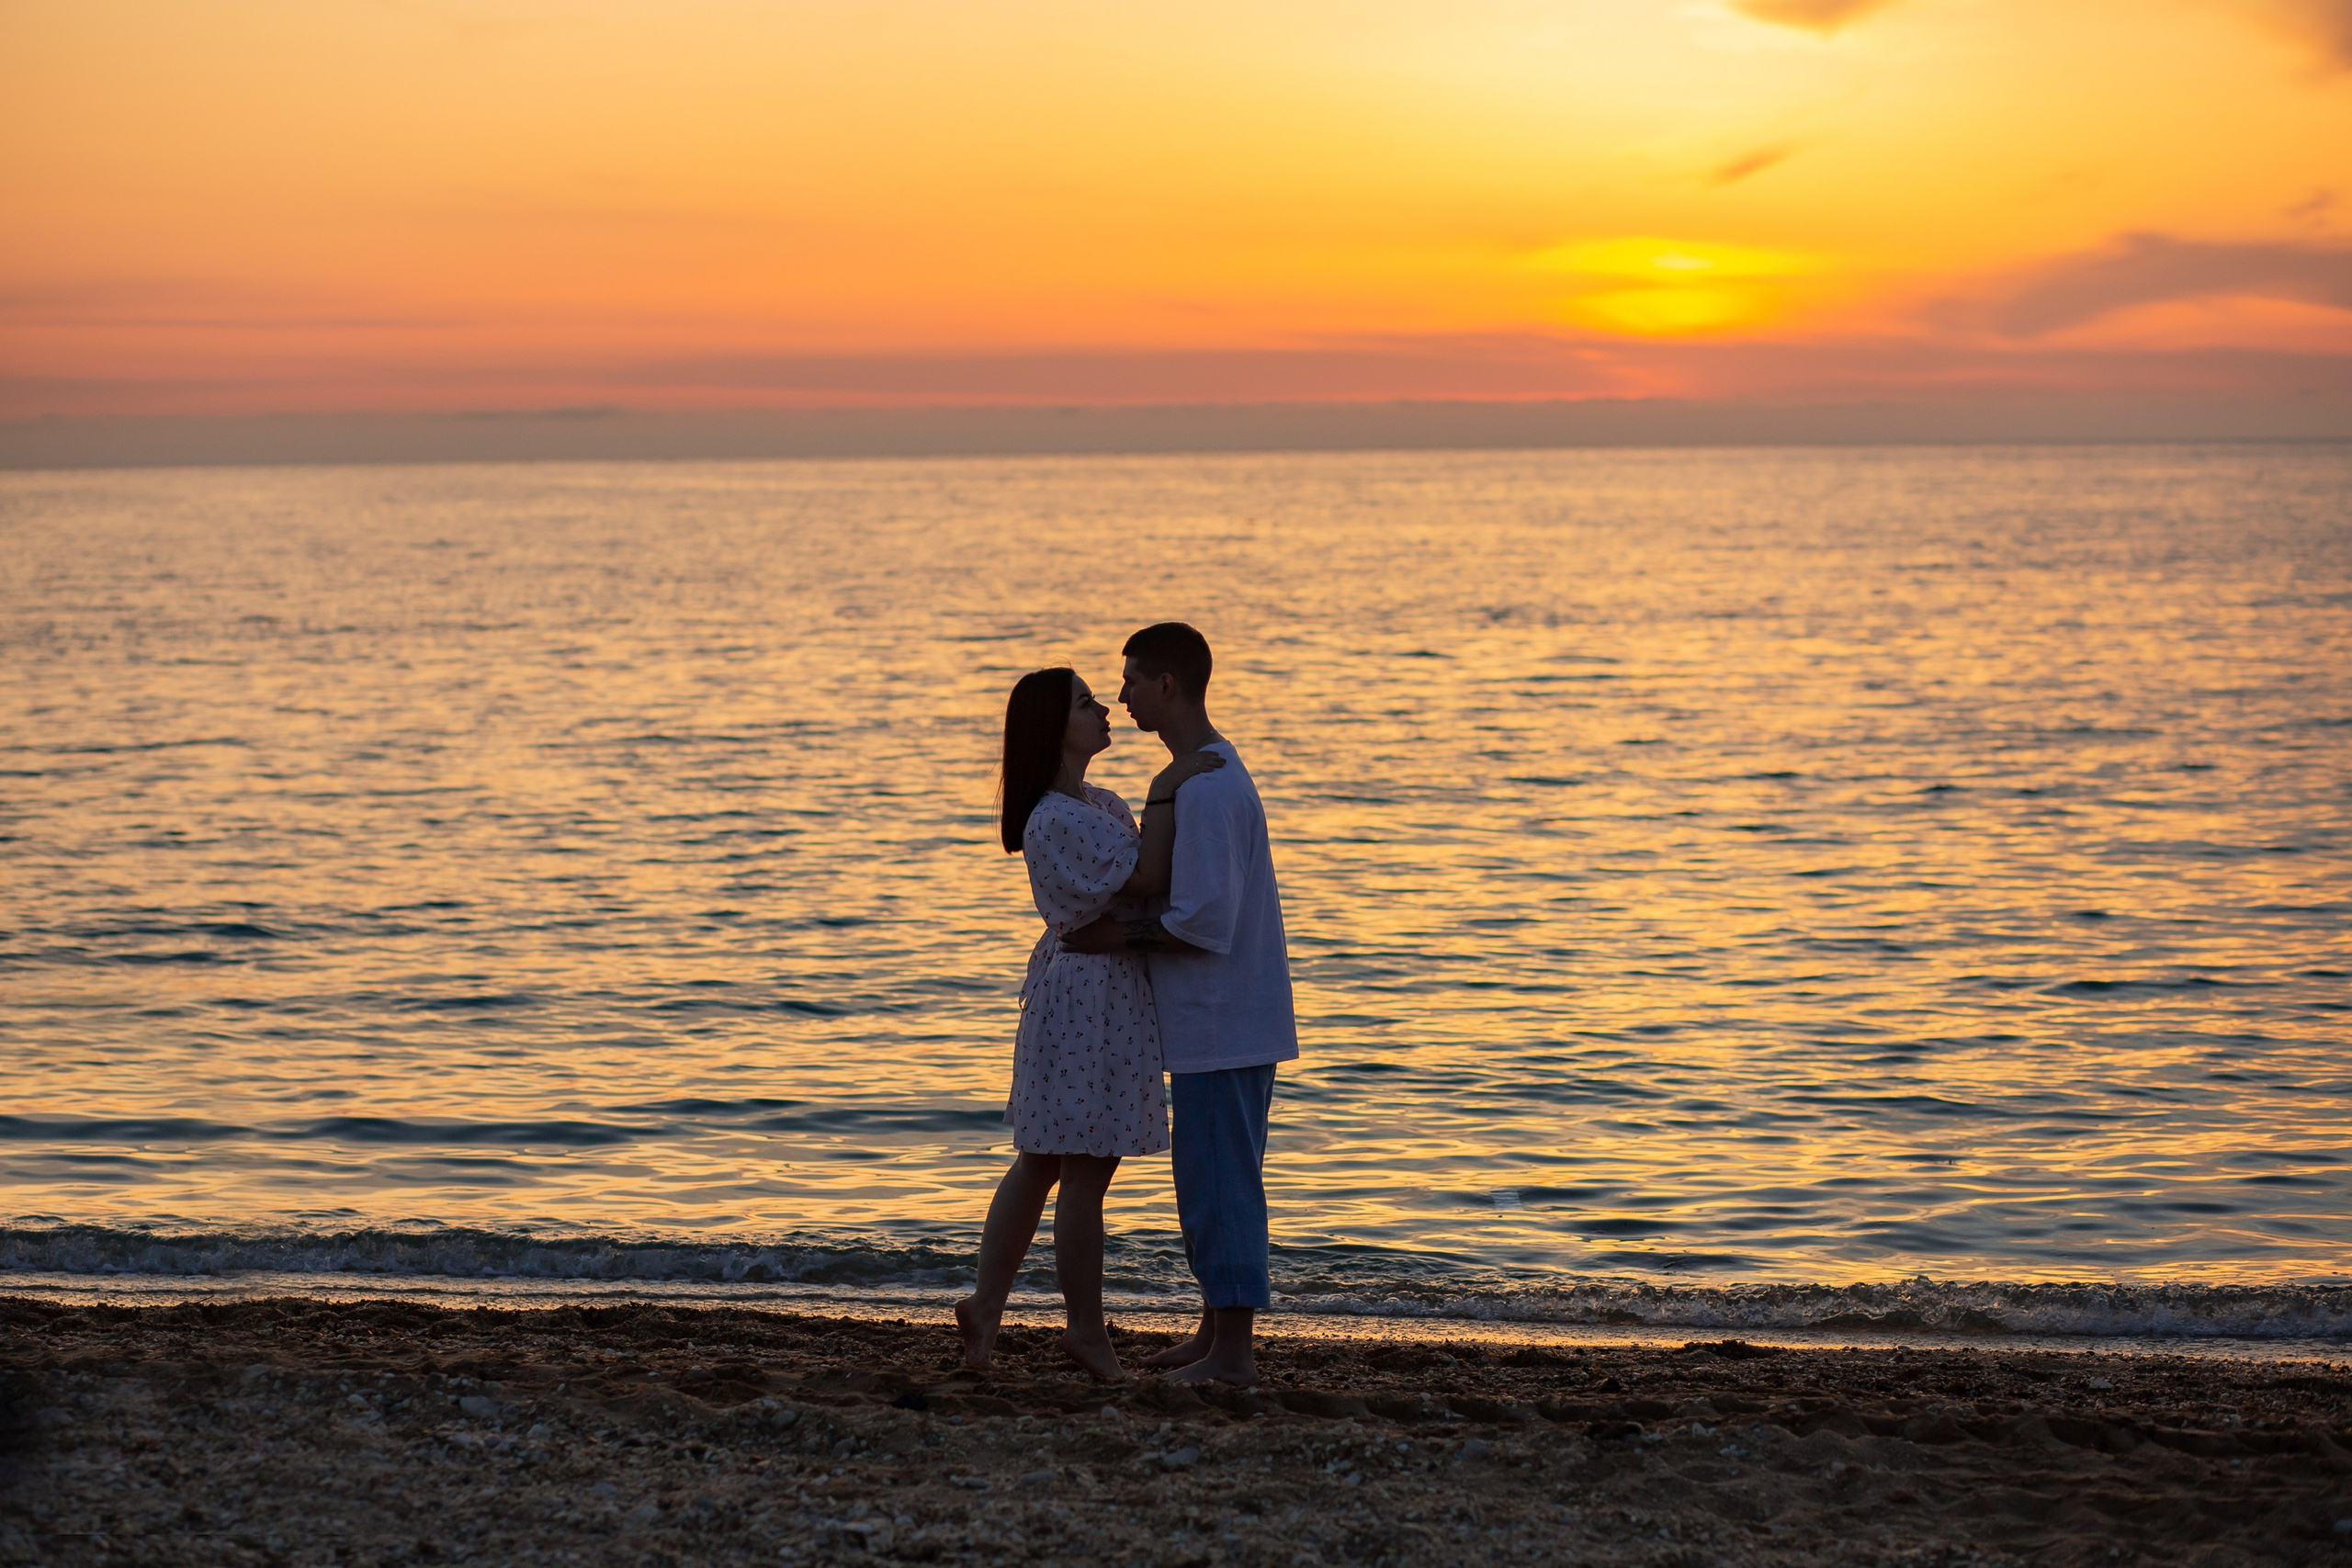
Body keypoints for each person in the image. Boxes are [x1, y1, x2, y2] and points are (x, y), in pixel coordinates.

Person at [956, 666, 1226, 1381]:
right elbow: (1147, 876)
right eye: (1086, 702)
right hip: (1087, 996)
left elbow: (1142, 876)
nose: (1104, 707)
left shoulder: (1094, 801)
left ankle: (986, 1306)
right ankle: (1082, 1328)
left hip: (1095, 991)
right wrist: (1177, 781)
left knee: (1046, 1158)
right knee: (1079, 1169)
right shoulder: (1056, 815)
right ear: (1056, 727)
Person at [1063, 623, 1297, 1387]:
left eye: (1131, 680)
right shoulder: (1197, 777)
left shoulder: (1207, 785)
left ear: (1168, 686)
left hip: (1221, 1022)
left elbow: (1202, 919)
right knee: (1219, 1178)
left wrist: (1117, 935)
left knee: (1219, 1184)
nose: (1121, 695)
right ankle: (1214, 1331)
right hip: (1227, 1020)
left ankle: (1232, 1356)